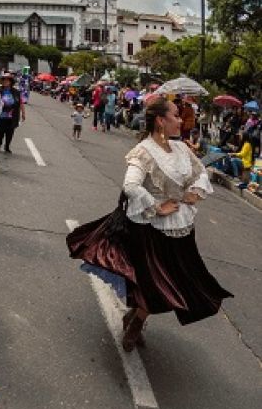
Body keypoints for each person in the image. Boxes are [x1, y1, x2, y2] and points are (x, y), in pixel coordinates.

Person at [66, 98, 232, 351]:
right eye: (176, 115)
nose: (181, 119)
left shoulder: (182, 148)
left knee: (175, 281)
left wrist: (194, 193)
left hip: (182, 227)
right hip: (152, 230)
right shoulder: (143, 151)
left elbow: (200, 173)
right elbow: (131, 186)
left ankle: (134, 317)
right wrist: (157, 206)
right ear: (160, 121)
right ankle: (135, 322)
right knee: (158, 283)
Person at [0, 73, 25, 153]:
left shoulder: (16, 92)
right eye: (4, 80)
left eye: (7, 80)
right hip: (1, 116)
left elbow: (21, 103)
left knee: (10, 133)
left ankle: (7, 146)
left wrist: (23, 113)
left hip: (12, 116)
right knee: (0, 133)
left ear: (11, 81)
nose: (5, 81)